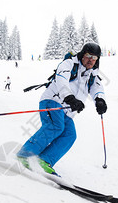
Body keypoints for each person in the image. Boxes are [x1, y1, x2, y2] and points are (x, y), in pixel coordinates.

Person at [16, 43, 107, 175]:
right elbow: (62, 80)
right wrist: (70, 98)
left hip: (67, 110)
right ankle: (25, 154)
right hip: (52, 101)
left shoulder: (92, 74)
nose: (91, 60)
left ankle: (44, 161)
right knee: (56, 126)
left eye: (94, 58)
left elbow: (97, 88)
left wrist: (100, 100)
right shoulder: (69, 64)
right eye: (88, 56)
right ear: (82, 54)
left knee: (70, 135)